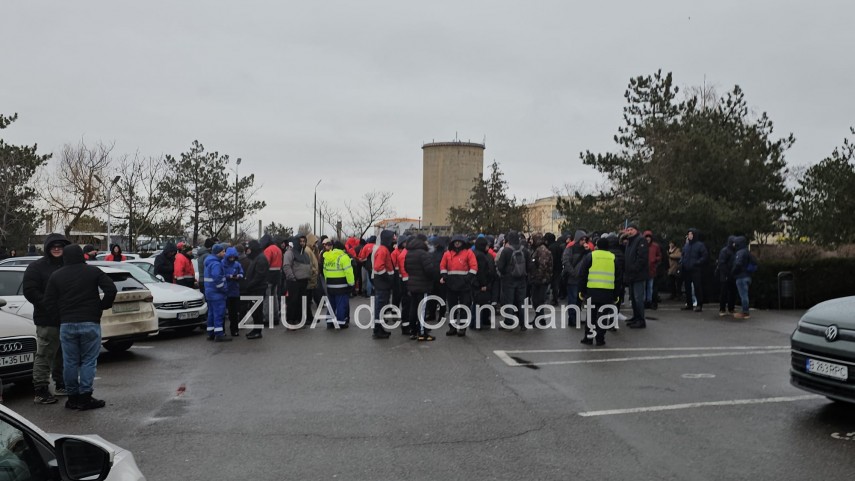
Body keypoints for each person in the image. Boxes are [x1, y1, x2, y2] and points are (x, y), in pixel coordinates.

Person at [43, 244, 116, 410]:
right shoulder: (93, 271)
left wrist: (59, 317)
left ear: (65, 257)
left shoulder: (56, 275)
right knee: (88, 361)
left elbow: (48, 301)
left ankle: (72, 397)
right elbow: (110, 289)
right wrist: (102, 306)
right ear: (82, 256)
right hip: (90, 321)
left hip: (67, 323)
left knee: (69, 361)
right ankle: (85, 396)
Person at [23, 233, 70, 404]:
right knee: (45, 354)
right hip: (46, 318)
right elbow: (30, 291)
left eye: (60, 246)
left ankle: (61, 384)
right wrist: (48, 304)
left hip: (67, 317)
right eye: (53, 246)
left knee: (63, 354)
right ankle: (41, 389)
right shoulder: (36, 267)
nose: (57, 249)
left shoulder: (69, 264)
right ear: (47, 248)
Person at [578, 237, 621, 346]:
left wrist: (582, 290)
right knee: (603, 316)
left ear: (597, 245)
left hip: (592, 290)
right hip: (607, 292)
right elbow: (618, 278)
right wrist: (616, 294)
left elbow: (583, 274)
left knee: (590, 316)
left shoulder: (591, 256)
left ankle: (588, 338)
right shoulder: (613, 258)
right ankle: (600, 339)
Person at [441, 235, 478, 336]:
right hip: (451, 284)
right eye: (455, 242)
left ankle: (462, 328)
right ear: (452, 243)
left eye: (459, 241)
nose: (457, 243)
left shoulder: (468, 252)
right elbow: (442, 266)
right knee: (452, 307)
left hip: (464, 285)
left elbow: (474, 266)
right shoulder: (447, 253)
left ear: (462, 243)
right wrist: (444, 276)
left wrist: (468, 278)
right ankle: (452, 327)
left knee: (464, 307)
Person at [405, 235, 437, 341]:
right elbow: (429, 270)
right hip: (423, 285)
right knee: (422, 309)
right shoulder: (423, 253)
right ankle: (422, 333)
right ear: (423, 241)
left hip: (412, 284)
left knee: (413, 308)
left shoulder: (409, 253)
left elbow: (406, 268)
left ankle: (413, 330)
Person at [496, 231, 530, 331]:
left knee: (509, 302)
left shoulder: (506, 251)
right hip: (522, 280)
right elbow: (529, 266)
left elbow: (500, 266)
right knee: (521, 302)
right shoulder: (525, 250)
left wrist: (504, 274)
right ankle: (523, 324)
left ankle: (509, 323)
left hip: (508, 280)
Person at [322, 239, 355, 328]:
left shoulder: (328, 257)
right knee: (341, 304)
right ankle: (341, 322)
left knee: (331, 304)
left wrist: (327, 281)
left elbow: (325, 271)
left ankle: (330, 321)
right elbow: (348, 272)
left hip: (330, 284)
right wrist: (351, 283)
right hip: (341, 285)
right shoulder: (344, 257)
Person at [283, 236, 313, 328]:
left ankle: (299, 320)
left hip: (304, 282)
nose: (302, 243)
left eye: (304, 241)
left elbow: (309, 266)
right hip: (294, 282)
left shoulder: (305, 254)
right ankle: (291, 321)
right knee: (293, 302)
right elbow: (286, 266)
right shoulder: (290, 253)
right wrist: (292, 278)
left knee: (301, 303)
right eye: (300, 241)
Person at [623, 223, 649, 328]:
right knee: (633, 298)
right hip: (631, 275)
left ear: (636, 230)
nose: (629, 232)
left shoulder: (641, 240)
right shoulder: (629, 241)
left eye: (631, 229)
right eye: (628, 230)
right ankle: (635, 317)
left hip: (638, 275)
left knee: (638, 298)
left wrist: (634, 268)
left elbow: (642, 258)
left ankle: (641, 320)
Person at [371, 230, 395, 339]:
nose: (394, 240)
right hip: (382, 284)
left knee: (381, 307)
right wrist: (388, 277)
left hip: (383, 283)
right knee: (380, 307)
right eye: (392, 237)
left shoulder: (383, 249)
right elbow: (378, 267)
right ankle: (378, 329)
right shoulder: (383, 250)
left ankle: (379, 328)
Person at [204, 244, 231, 342]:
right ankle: (219, 334)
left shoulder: (210, 261)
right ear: (218, 253)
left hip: (210, 292)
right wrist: (224, 289)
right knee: (219, 313)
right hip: (217, 293)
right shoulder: (216, 264)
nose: (225, 253)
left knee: (211, 313)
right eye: (223, 251)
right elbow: (217, 278)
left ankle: (210, 333)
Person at [243, 240, 269, 340]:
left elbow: (259, 276)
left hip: (258, 289)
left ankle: (257, 331)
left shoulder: (261, 258)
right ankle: (256, 329)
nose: (248, 251)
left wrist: (249, 285)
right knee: (255, 310)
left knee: (257, 311)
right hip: (255, 288)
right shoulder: (257, 258)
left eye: (249, 249)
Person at [562, 230, 588, 326]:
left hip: (581, 279)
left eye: (585, 239)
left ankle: (576, 318)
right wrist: (574, 273)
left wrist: (588, 250)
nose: (583, 241)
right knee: (573, 300)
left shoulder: (585, 250)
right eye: (582, 239)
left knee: (578, 301)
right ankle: (572, 319)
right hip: (572, 279)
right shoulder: (570, 249)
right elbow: (566, 261)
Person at [680, 228, 708, 312]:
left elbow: (705, 256)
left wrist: (697, 262)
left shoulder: (700, 245)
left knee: (697, 287)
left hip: (696, 269)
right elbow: (683, 254)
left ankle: (699, 304)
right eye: (689, 234)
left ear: (694, 235)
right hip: (686, 269)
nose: (690, 236)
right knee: (687, 287)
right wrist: (682, 261)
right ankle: (689, 304)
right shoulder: (686, 245)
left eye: (691, 234)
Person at [472, 236, 496, 329]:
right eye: (486, 245)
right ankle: (476, 322)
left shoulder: (476, 254)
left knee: (478, 303)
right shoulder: (482, 256)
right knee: (479, 303)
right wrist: (484, 284)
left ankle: (476, 322)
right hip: (481, 283)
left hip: (477, 282)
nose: (488, 247)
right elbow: (481, 272)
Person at [260, 235, 283, 325]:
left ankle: (267, 318)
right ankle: (275, 317)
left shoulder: (268, 250)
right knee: (274, 296)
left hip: (269, 276)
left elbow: (265, 263)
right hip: (277, 275)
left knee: (267, 297)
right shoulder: (278, 249)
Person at [528, 233, 553, 314]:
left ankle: (540, 317)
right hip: (539, 279)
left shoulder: (542, 250)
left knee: (538, 301)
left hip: (541, 280)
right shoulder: (538, 249)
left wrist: (537, 277)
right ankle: (539, 317)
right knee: (536, 300)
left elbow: (543, 266)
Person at [222, 247, 245, 337]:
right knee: (222, 312)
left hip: (235, 291)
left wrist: (239, 276)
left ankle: (234, 330)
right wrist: (230, 276)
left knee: (234, 313)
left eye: (233, 257)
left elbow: (242, 273)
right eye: (230, 257)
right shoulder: (222, 264)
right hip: (225, 290)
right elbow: (221, 275)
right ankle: (222, 330)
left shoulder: (237, 264)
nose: (232, 258)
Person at [731, 236, 755, 319]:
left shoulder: (740, 252)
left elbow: (738, 264)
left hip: (741, 276)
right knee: (745, 294)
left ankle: (745, 312)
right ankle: (745, 311)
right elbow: (754, 263)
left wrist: (733, 272)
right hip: (748, 276)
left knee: (743, 295)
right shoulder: (747, 252)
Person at [716, 236, 737, 316]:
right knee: (724, 292)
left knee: (732, 292)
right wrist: (727, 273)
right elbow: (722, 263)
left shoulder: (735, 251)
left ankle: (731, 308)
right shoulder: (725, 251)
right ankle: (722, 308)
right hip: (725, 275)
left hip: (732, 274)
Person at [643, 230, 662, 310]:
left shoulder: (655, 246)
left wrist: (654, 261)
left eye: (649, 237)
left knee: (650, 287)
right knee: (644, 287)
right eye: (646, 237)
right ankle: (644, 301)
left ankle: (649, 301)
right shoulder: (642, 245)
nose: (648, 238)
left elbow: (659, 256)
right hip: (644, 269)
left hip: (652, 269)